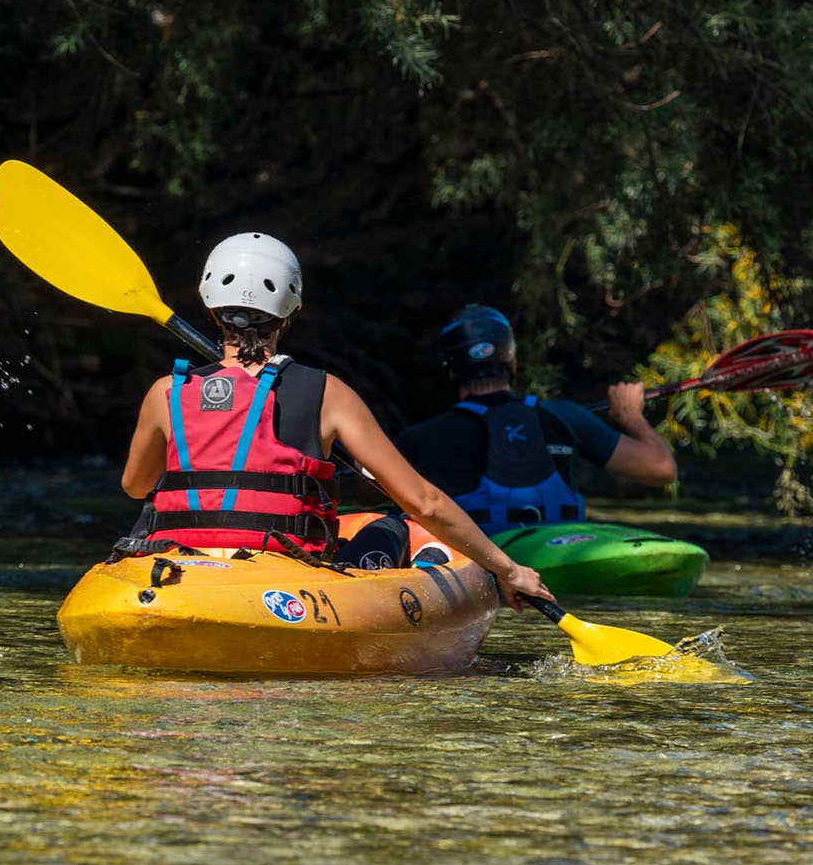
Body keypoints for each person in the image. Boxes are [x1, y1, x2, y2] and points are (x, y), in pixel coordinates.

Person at [119, 234, 550, 606]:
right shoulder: (326, 393)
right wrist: (508, 569)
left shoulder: (166, 393)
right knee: (395, 525)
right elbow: (425, 503)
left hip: (179, 567)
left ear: (212, 310)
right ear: (290, 311)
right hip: (284, 577)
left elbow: (137, 486)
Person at [395, 304, 676, 531]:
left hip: (482, 559)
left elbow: (380, 496)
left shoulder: (420, 439)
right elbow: (661, 470)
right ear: (512, 362)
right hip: (559, 547)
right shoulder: (566, 417)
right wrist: (630, 415)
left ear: (451, 370)